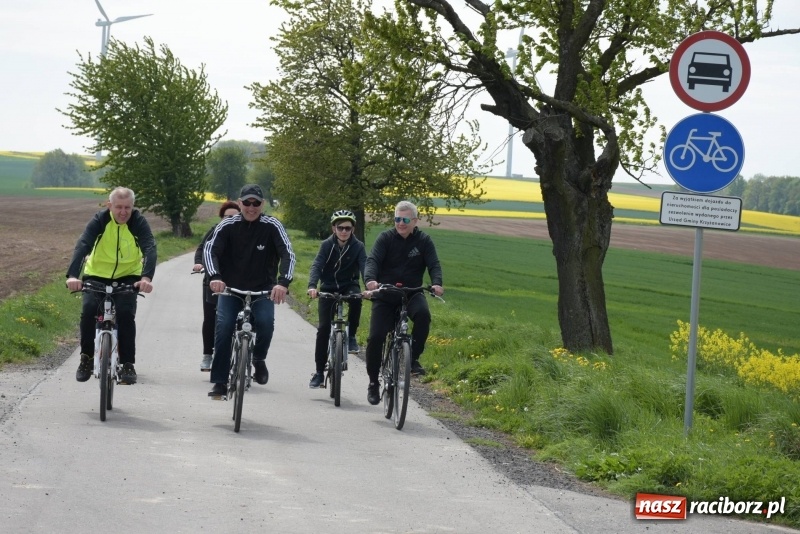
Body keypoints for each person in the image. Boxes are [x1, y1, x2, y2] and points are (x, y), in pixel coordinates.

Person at [202, 184, 295, 397]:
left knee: (265, 324)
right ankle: (219, 382)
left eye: (256, 203)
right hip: (230, 289)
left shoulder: (273, 226)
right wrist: (215, 277)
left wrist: (283, 283)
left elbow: (288, 254)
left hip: (263, 289)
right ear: (239, 203)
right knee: (224, 327)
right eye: (246, 203)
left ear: (262, 204)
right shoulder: (228, 225)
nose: (251, 207)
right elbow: (210, 250)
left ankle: (258, 358)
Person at [66, 186, 156, 385]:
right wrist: (73, 275)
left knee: (125, 313)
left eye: (128, 207)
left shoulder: (138, 222)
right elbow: (83, 245)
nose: (123, 212)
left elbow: (149, 246)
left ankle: (127, 363)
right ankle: (86, 358)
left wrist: (146, 278)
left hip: (128, 276)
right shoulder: (100, 220)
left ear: (133, 207)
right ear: (109, 206)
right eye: (118, 207)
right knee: (89, 309)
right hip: (96, 274)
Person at [363, 200, 444, 405]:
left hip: (412, 293)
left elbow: (434, 264)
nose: (401, 223)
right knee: (376, 337)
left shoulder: (424, 241)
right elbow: (372, 261)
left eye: (405, 219)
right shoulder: (385, 238)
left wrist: (436, 283)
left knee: (423, 316)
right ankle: (373, 383)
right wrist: (371, 280)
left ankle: (412, 358)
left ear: (415, 221)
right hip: (386, 293)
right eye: (397, 219)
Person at [306, 210, 367, 389]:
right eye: (340, 227)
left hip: (349, 284)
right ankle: (318, 372)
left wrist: (369, 284)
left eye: (347, 228)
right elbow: (317, 264)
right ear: (334, 228)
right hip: (328, 287)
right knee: (324, 329)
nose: (344, 231)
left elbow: (365, 266)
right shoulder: (327, 245)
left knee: (356, 299)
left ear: (352, 229)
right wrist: (312, 286)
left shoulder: (358, 246)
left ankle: (353, 336)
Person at [192, 200, 241, 372]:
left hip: (236, 283)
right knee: (211, 318)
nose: (231, 219)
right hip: (213, 281)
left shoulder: (244, 233)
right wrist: (199, 264)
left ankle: (245, 354)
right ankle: (207, 355)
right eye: (227, 216)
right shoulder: (215, 231)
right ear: (221, 218)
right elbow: (201, 249)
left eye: (235, 216)